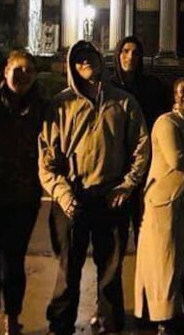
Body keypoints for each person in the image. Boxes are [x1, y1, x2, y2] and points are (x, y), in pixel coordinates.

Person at [39, 40, 150, 335]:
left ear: (101, 61)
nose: (86, 61)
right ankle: (60, 326)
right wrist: (63, 194)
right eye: (79, 59)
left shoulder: (124, 103)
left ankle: (111, 324)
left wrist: (127, 186)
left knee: (111, 272)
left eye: (91, 56)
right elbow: (47, 159)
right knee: (67, 270)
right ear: (72, 67)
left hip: (110, 197)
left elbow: (141, 147)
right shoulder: (60, 104)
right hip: (71, 199)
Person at [0, 50, 46, 335]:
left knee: (14, 262)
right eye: (18, 69)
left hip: (24, 197)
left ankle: (12, 319)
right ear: (5, 70)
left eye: (29, 70)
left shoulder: (42, 106)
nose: (23, 75)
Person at [134, 78, 184, 335]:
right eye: (182, 90)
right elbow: (176, 159)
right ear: (173, 97)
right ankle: (166, 322)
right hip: (165, 201)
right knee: (166, 264)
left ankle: (180, 311)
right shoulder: (166, 122)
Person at [110, 35, 168, 244]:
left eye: (135, 53)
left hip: (146, 162)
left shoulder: (152, 86)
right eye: (125, 51)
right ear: (118, 55)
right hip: (115, 166)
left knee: (145, 226)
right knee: (116, 232)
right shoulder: (108, 86)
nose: (130, 57)